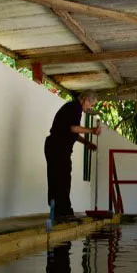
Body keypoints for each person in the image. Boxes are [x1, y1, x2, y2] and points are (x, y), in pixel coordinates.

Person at [44, 90, 101, 222]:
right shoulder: (75, 107)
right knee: (62, 179)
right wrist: (92, 131)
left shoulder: (73, 108)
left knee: (57, 178)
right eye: (90, 104)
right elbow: (74, 129)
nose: (90, 107)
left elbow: (72, 133)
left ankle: (57, 211)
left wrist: (87, 142)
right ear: (85, 99)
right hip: (58, 147)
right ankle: (64, 212)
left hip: (55, 146)